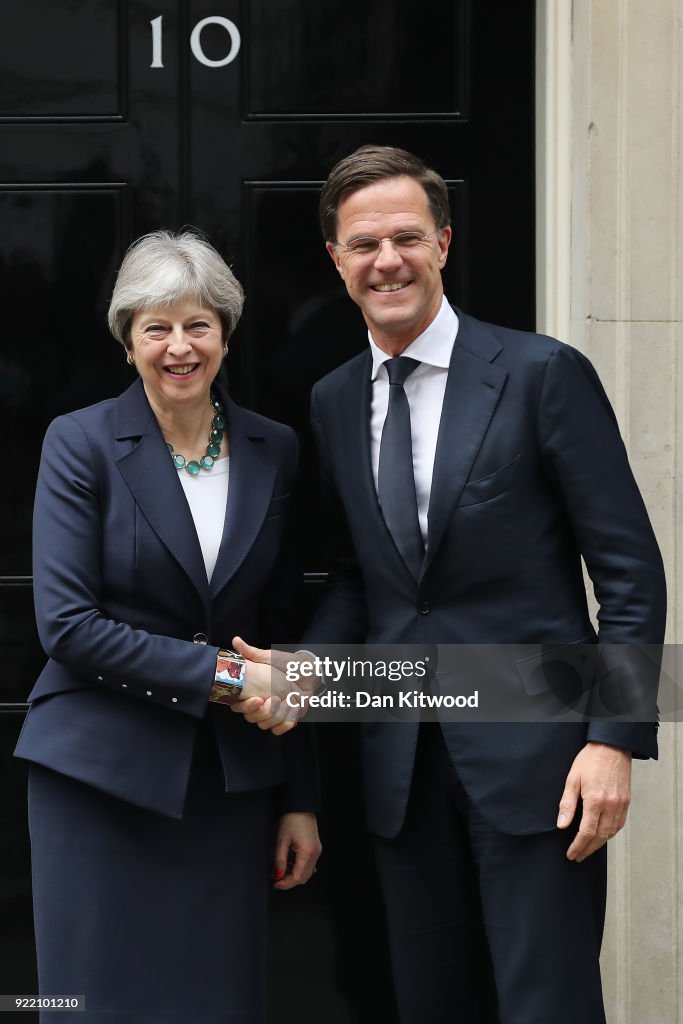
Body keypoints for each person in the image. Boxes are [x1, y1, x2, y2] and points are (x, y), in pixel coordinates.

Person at [234, 145, 666, 1023]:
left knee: (545, 1004)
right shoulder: (329, 398)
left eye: (403, 238)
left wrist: (612, 738)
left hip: (540, 761)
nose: (384, 260)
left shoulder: (542, 375)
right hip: (399, 762)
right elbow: (363, 576)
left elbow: (628, 571)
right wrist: (307, 666)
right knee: (429, 1004)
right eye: (362, 244)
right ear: (335, 261)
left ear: (442, 243)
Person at [15, 229, 321, 1023]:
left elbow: (283, 628)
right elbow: (69, 626)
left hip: (228, 789)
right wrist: (228, 678)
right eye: (156, 327)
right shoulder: (78, 443)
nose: (179, 346)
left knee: (217, 1002)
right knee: (91, 1003)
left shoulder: (274, 450)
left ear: (225, 334)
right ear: (128, 343)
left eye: (198, 325)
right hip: (98, 778)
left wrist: (300, 797)